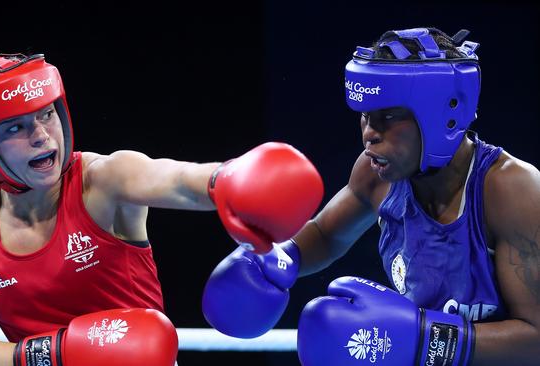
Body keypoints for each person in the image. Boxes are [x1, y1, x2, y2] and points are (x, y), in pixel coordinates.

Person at [0, 53, 324, 366]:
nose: (41, 135)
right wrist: (62, 352)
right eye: (16, 128)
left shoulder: (102, 182)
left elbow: (173, 180)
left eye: (46, 115)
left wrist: (228, 180)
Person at [202, 28, 540, 365]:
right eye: (365, 116)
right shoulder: (376, 174)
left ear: (443, 114)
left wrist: (425, 338)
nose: (369, 134)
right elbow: (326, 234)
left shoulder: (510, 190)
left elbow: (536, 339)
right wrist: (276, 258)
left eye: (388, 116)